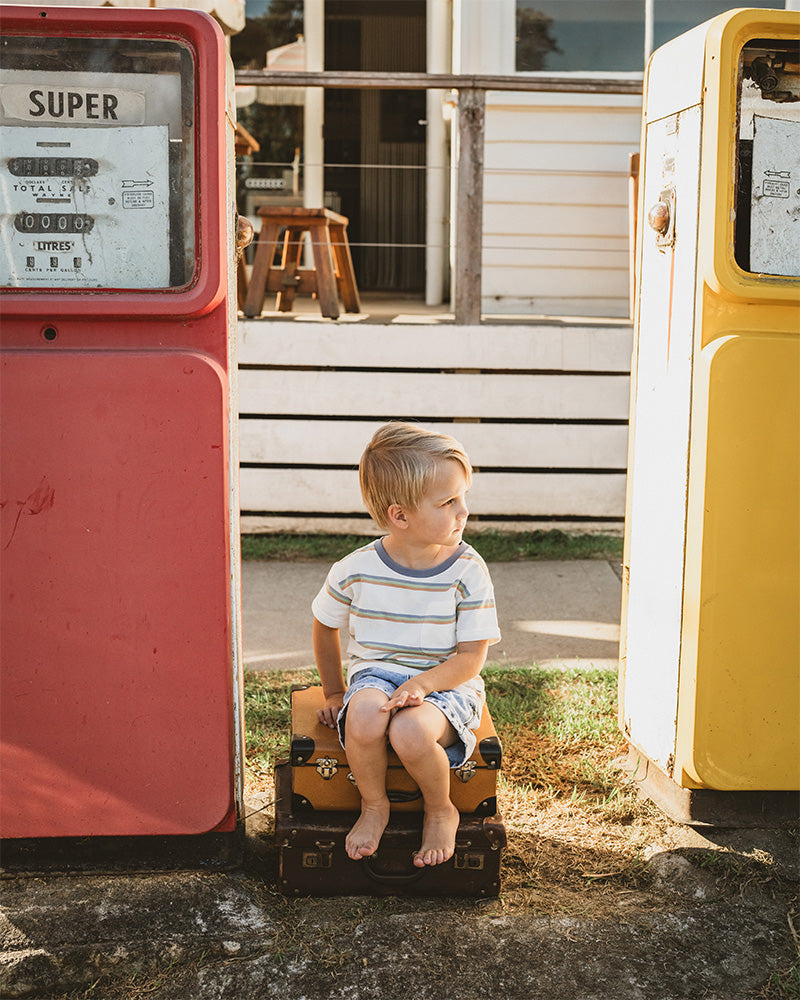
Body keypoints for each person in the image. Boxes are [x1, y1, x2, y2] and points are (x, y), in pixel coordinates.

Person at [311, 421, 500, 869]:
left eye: (463, 498)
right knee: (363, 714)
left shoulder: (468, 571)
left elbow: (471, 657)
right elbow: (324, 626)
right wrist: (336, 693)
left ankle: (441, 808)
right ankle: (374, 804)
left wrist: (424, 684)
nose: (464, 511)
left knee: (411, 731)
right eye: (449, 502)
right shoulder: (355, 569)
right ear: (400, 516)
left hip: (448, 682)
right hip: (376, 676)